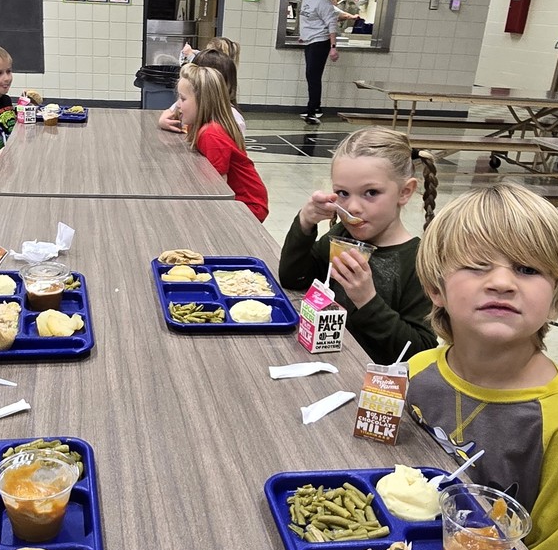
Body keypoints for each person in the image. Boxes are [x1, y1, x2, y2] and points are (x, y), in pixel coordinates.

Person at [409, 184, 558, 550]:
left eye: (527, 269)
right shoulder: (416, 371)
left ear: (556, 300)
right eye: (477, 265)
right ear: (436, 289)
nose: (501, 282)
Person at [278, 127, 438, 364]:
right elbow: (294, 279)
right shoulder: (343, 236)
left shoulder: (418, 262)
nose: (352, 207)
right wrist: (305, 223)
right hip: (328, 364)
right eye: (343, 193)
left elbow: (419, 353)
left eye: (371, 192)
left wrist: (367, 300)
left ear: (404, 192)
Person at [176, 64, 268, 222]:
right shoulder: (199, 125)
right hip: (240, 200)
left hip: (247, 205)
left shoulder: (211, 134)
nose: (178, 104)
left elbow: (217, 187)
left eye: (183, 99)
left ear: (202, 102)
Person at [159, 49, 246, 136]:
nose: (179, 104)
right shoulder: (192, 102)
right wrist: (163, 121)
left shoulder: (232, 118)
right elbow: (170, 112)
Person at [298, 0, 339, 125]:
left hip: (320, 41)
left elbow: (331, 22)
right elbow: (307, 19)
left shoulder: (323, 0)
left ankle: (313, 110)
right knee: (310, 75)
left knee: (313, 76)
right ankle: (315, 106)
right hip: (309, 40)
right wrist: (303, 35)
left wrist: (333, 46)